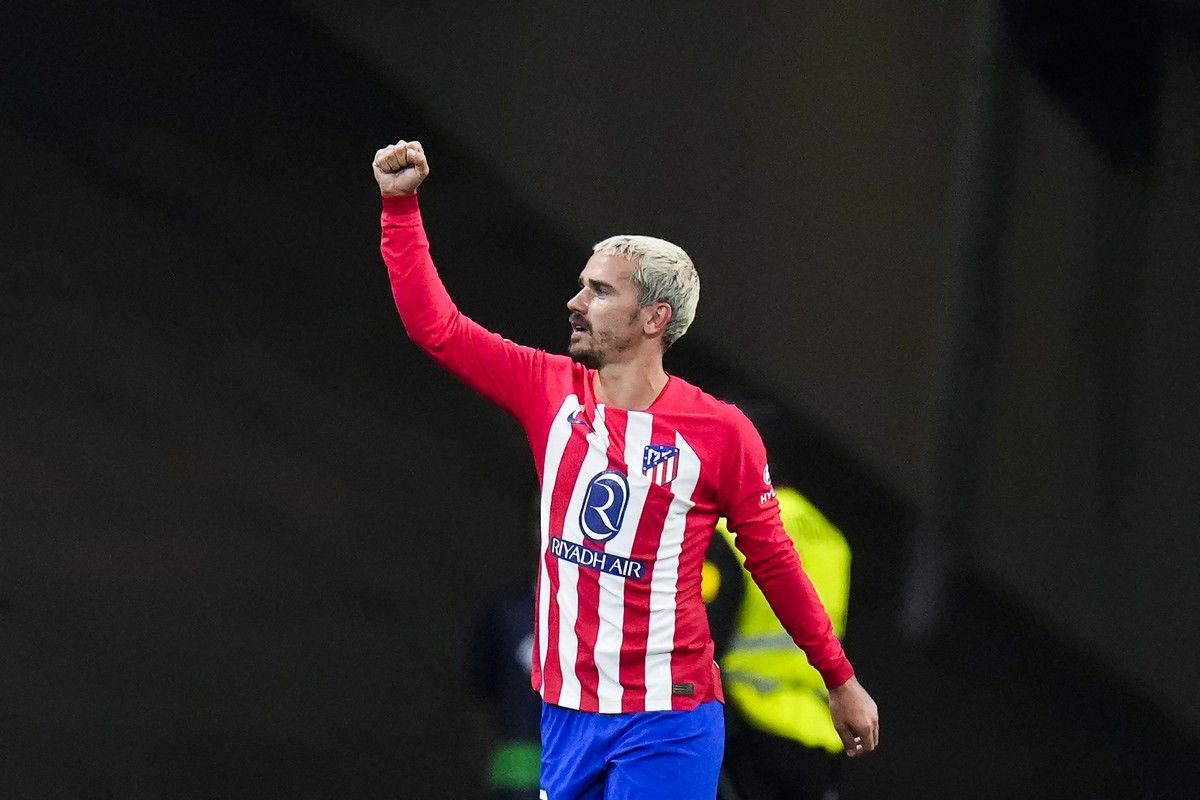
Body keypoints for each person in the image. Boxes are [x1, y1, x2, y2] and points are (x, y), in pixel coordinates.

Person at [372, 138, 878, 800]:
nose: (575, 302)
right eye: (583, 285)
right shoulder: (547, 387)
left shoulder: (720, 432)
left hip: (667, 716)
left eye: (599, 290)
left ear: (653, 318)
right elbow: (436, 328)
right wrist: (400, 208)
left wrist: (840, 679)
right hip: (566, 711)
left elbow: (774, 562)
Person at [705, 478, 853, 800]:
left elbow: (702, 643)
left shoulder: (730, 531)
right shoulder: (829, 537)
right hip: (818, 731)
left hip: (746, 730)